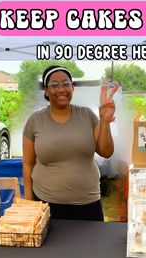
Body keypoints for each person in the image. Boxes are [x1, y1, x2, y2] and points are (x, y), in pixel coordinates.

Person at [23, 65, 116, 221]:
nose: (61, 89)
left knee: (92, 245)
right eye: (54, 85)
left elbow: (106, 152)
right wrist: (28, 199)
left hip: (88, 202)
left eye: (66, 84)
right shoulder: (35, 120)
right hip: (47, 203)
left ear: (72, 88)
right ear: (46, 90)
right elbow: (27, 163)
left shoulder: (87, 115)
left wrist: (105, 121)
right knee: (52, 246)